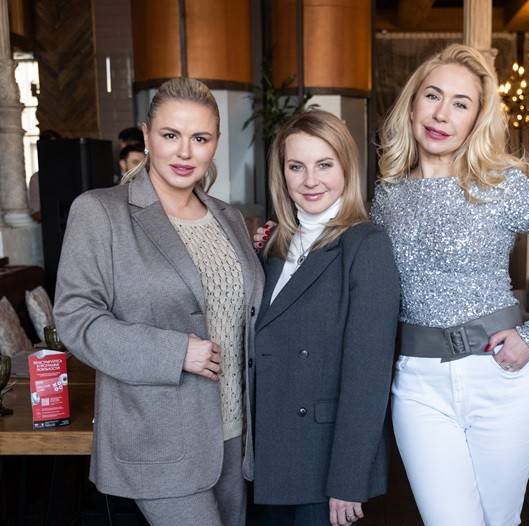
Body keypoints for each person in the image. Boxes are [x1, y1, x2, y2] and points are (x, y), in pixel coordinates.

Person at [369, 44, 529, 526]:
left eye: (460, 104)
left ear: (476, 120)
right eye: (432, 96)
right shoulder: (388, 196)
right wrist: (282, 241)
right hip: (419, 386)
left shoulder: (500, 186)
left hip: (499, 379)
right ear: (412, 103)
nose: (441, 114)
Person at [54, 78, 264, 526]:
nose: (184, 152)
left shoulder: (229, 218)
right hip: (159, 436)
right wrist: (175, 352)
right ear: (147, 135)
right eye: (171, 135)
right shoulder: (101, 212)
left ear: (215, 143)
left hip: (233, 435)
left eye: (200, 138)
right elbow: (76, 319)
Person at [251, 109, 400, 526]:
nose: (310, 180)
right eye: (296, 167)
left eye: (324, 165)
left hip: (321, 460)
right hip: (267, 450)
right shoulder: (274, 245)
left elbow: (368, 375)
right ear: (281, 173)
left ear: (346, 168)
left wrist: (349, 478)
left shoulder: (366, 245)